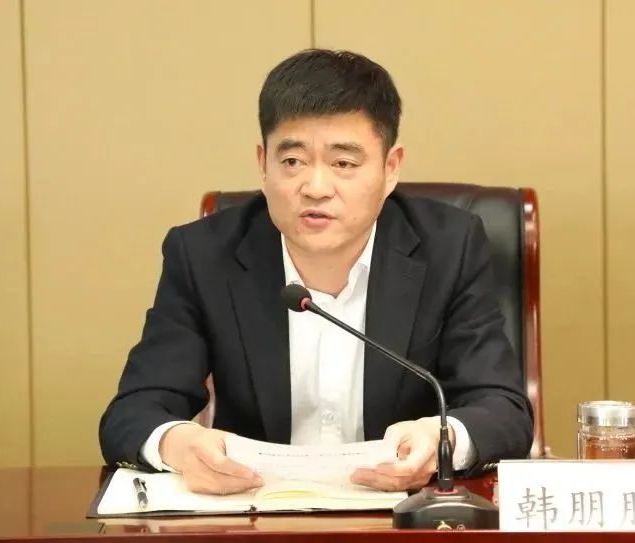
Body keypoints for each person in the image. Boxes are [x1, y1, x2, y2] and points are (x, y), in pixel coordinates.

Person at [99, 49, 533, 496]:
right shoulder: (203, 255)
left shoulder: (449, 247)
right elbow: (133, 412)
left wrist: (440, 440)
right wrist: (175, 443)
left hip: (400, 511)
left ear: (390, 168)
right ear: (262, 164)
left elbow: (502, 410)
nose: (316, 187)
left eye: (344, 163)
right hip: (255, 513)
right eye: (292, 161)